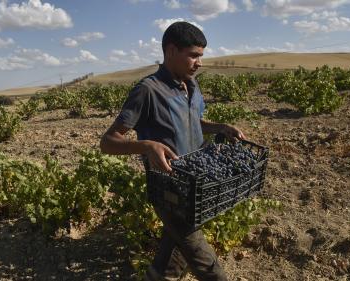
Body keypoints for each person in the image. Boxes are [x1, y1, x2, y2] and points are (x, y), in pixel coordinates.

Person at [100, 21, 245, 281]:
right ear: (171, 51)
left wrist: (221, 127)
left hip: (197, 184)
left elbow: (193, 122)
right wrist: (146, 145)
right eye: (193, 55)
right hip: (169, 189)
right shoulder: (147, 90)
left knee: (174, 249)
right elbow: (108, 141)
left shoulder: (192, 85)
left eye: (201, 56)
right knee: (203, 258)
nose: (199, 62)